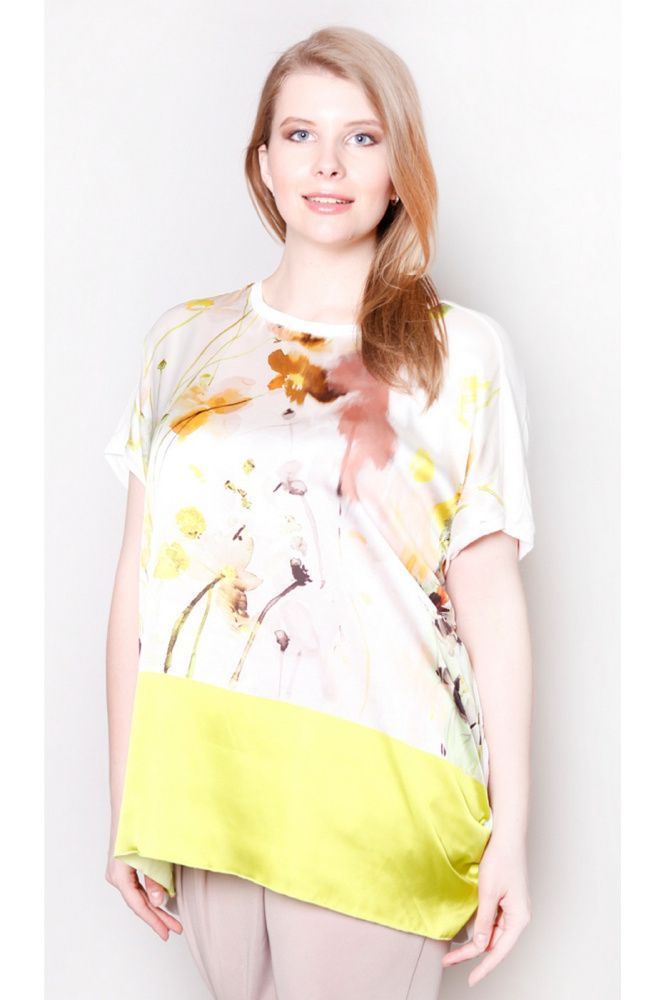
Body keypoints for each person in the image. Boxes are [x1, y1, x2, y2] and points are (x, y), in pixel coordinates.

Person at [104, 25, 535, 1000]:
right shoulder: (185, 342)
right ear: (263, 162)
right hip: (206, 778)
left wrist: (510, 834)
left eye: (362, 137)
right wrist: (128, 800)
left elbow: (492, 604)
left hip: (377, 787)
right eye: (300, 134)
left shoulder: (457, 353)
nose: (328, 163)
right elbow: (136, 579)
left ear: (398, 168)